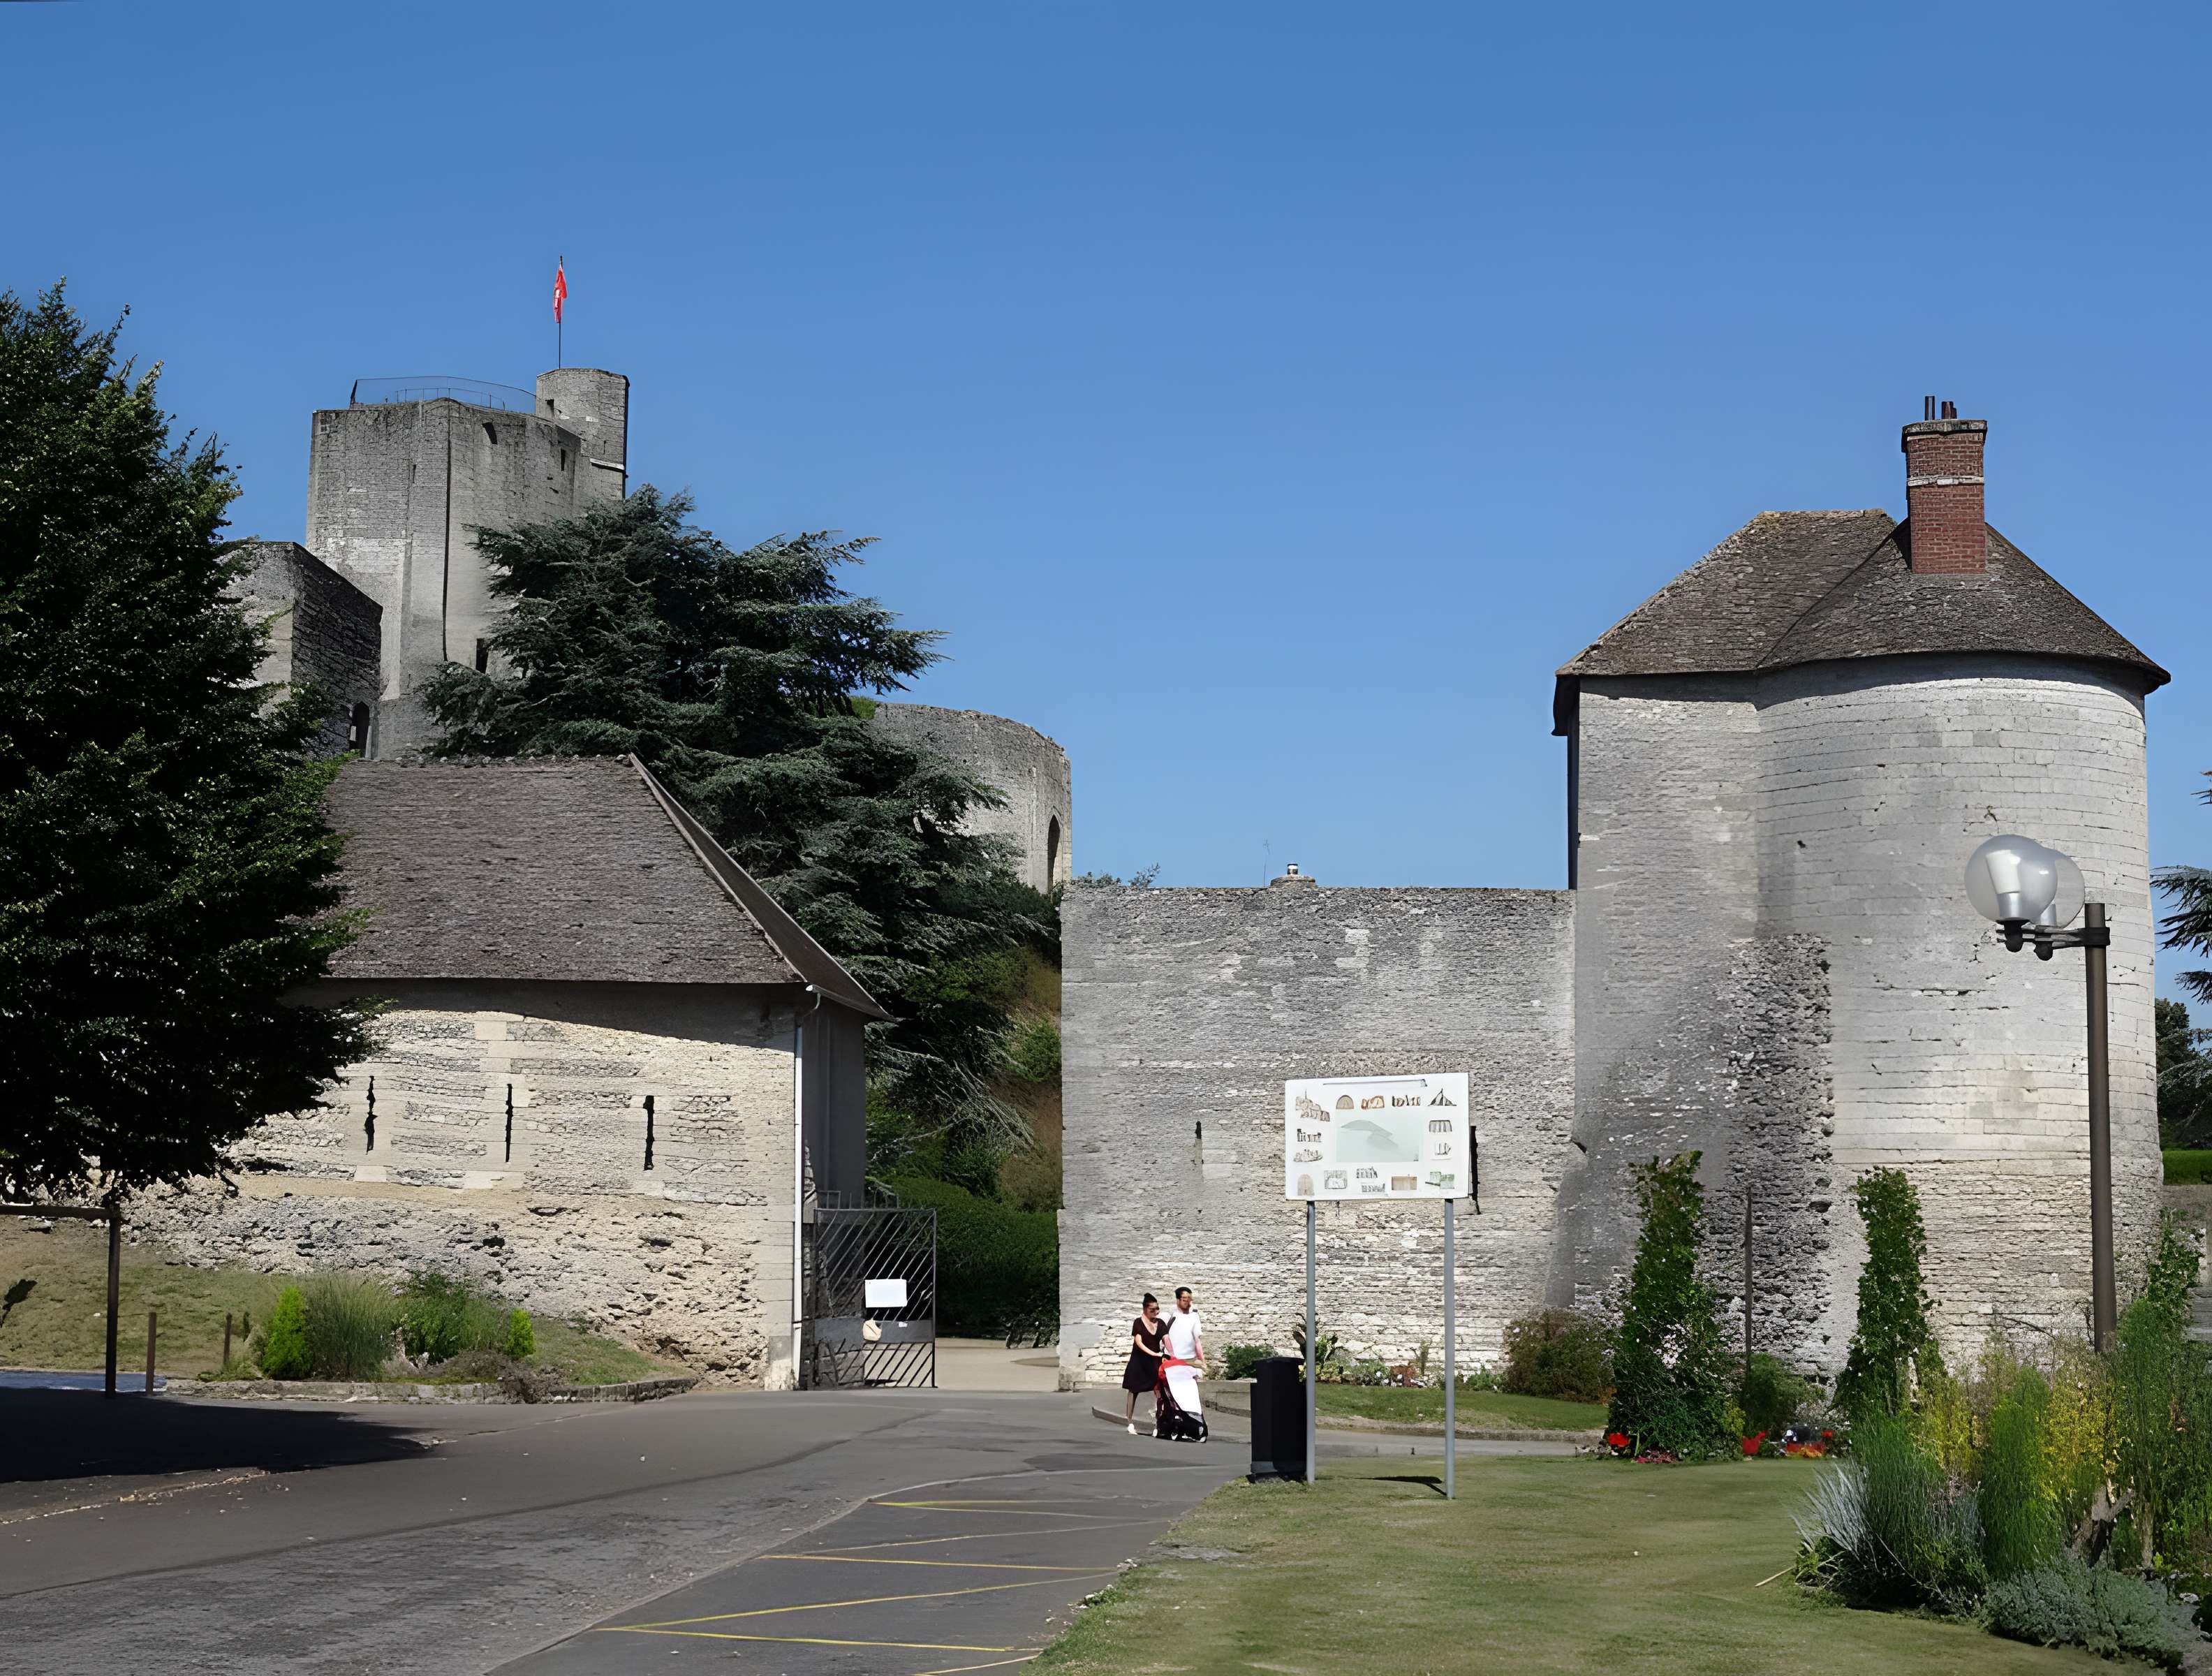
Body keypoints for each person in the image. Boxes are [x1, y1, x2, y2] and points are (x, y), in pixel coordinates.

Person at [1158, 1285, 1207, 1440]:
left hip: (1188, 1364)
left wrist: (1202, 1361)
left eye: (1189, 1299)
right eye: (1185, 1299)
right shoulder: (1170, 1317)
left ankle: (1190, 1428)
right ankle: (1171, 1426)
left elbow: (1197, 1340)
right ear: (1178, 1300)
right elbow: (1165, 1338)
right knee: (1171, 1397)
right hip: (1172, 1363)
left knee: (1189, 1397)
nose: (1188, 1302)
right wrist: (1169, 1355)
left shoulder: (1194, 1317)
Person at [1121, 1293, 1168, 1434]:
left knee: (1159, 1392)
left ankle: (1158, 1423)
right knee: (1133, 1390)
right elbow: (1139, 1342)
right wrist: (1154, 1353)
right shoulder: (1138, 1322)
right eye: (1152, 1309)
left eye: (1157, 1309)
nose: (1156, 1312)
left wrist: (1171, 1353)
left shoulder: (1160, 1323)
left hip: (1155, 1363)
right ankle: (1130, 1422)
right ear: (1145, 1309)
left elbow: (1167, 1340)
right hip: (1139, 1362)